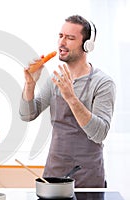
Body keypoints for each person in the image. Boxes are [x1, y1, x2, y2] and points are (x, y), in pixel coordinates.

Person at [19, 15, 116, 188]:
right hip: (54, 173)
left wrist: (71, 97)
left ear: (87, 45)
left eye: (70, 38)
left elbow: (100, 133)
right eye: (61, 36)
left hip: (88, 175)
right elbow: (27, 115)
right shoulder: (55, 79)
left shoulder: (103, 83)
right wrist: (29, 85)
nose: (62, 42)